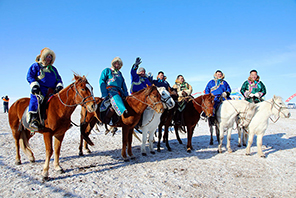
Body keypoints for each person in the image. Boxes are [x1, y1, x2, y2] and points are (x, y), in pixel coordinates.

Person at [27, 47, 63, 129]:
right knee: (37, 99)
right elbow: (30, 76)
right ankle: (34, 119)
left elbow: (58, 78)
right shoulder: (36, 66)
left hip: (52, 91)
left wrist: (59, 85)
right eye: (48, 56)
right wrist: (34, 85)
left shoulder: (53, 69)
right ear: (43, 57)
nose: (49, 58)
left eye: (51, 57)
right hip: (40, 89)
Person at [99, 57, 129, 125]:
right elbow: (102, 81)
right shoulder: (107, 70)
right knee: (116, 98)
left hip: (119, 90)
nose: (117, 65)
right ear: (113, 63)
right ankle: (108, 118)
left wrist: (126, 95)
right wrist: (104, 93)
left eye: (119, 64)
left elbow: (123, 84)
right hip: (110, 89)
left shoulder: (119, 73)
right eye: (116, 63)